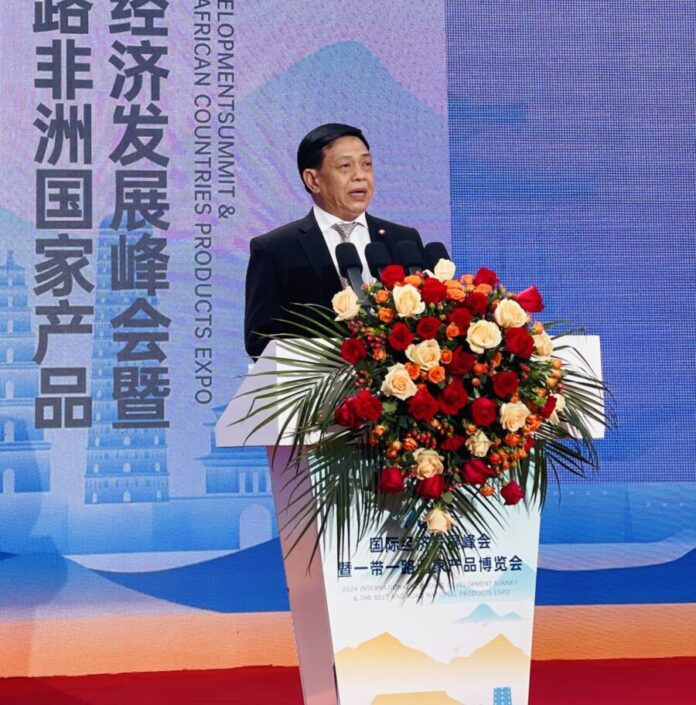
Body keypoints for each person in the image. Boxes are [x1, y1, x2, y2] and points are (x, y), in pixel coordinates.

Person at [244, 123, 426, 359]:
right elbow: (260, 340)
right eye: (345, 166)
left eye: (366, 164)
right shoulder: (276, 249)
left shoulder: (403, 241)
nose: (360, 176)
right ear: (313, 180)